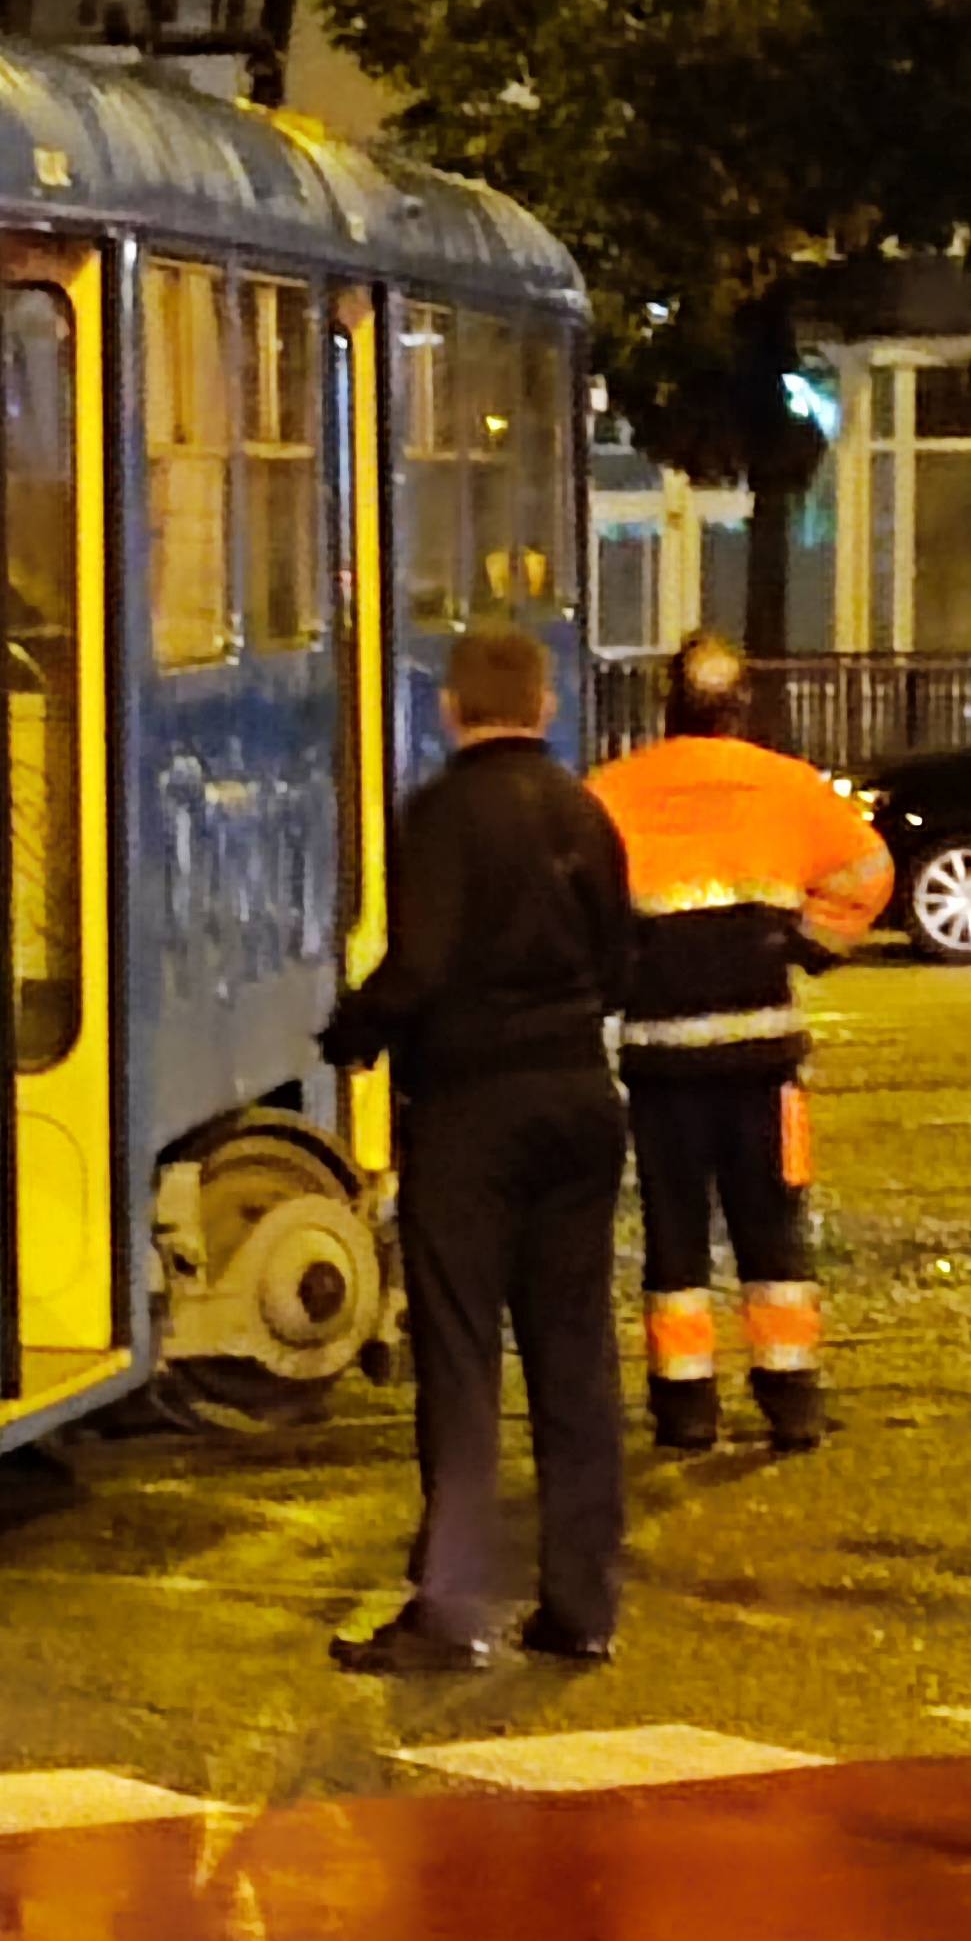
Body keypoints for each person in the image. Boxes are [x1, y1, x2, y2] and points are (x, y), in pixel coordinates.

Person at [322, 621, 631, 1678]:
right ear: (543, 708)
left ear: (452, 710)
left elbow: (421, 966)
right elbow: (617, 957)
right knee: (576, 1355)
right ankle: (581, 1605)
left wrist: (352, 1033)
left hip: (473, 1109)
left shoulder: (442, 815)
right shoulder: (585, 811)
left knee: (460, 1358)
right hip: (581, 1099)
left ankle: (451, 1611)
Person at [589, 632, 893, 1455]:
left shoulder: (613, 792)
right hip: (765, 1060)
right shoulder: (789, 787)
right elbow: (870, 873)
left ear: (667, 704)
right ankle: (790, 1401)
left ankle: (685, 1411)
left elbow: (577, 899)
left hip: (661, 1061)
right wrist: (809, 945)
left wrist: (619, 975)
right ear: (743, 705)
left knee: (674, 1237)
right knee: (774, 1231)